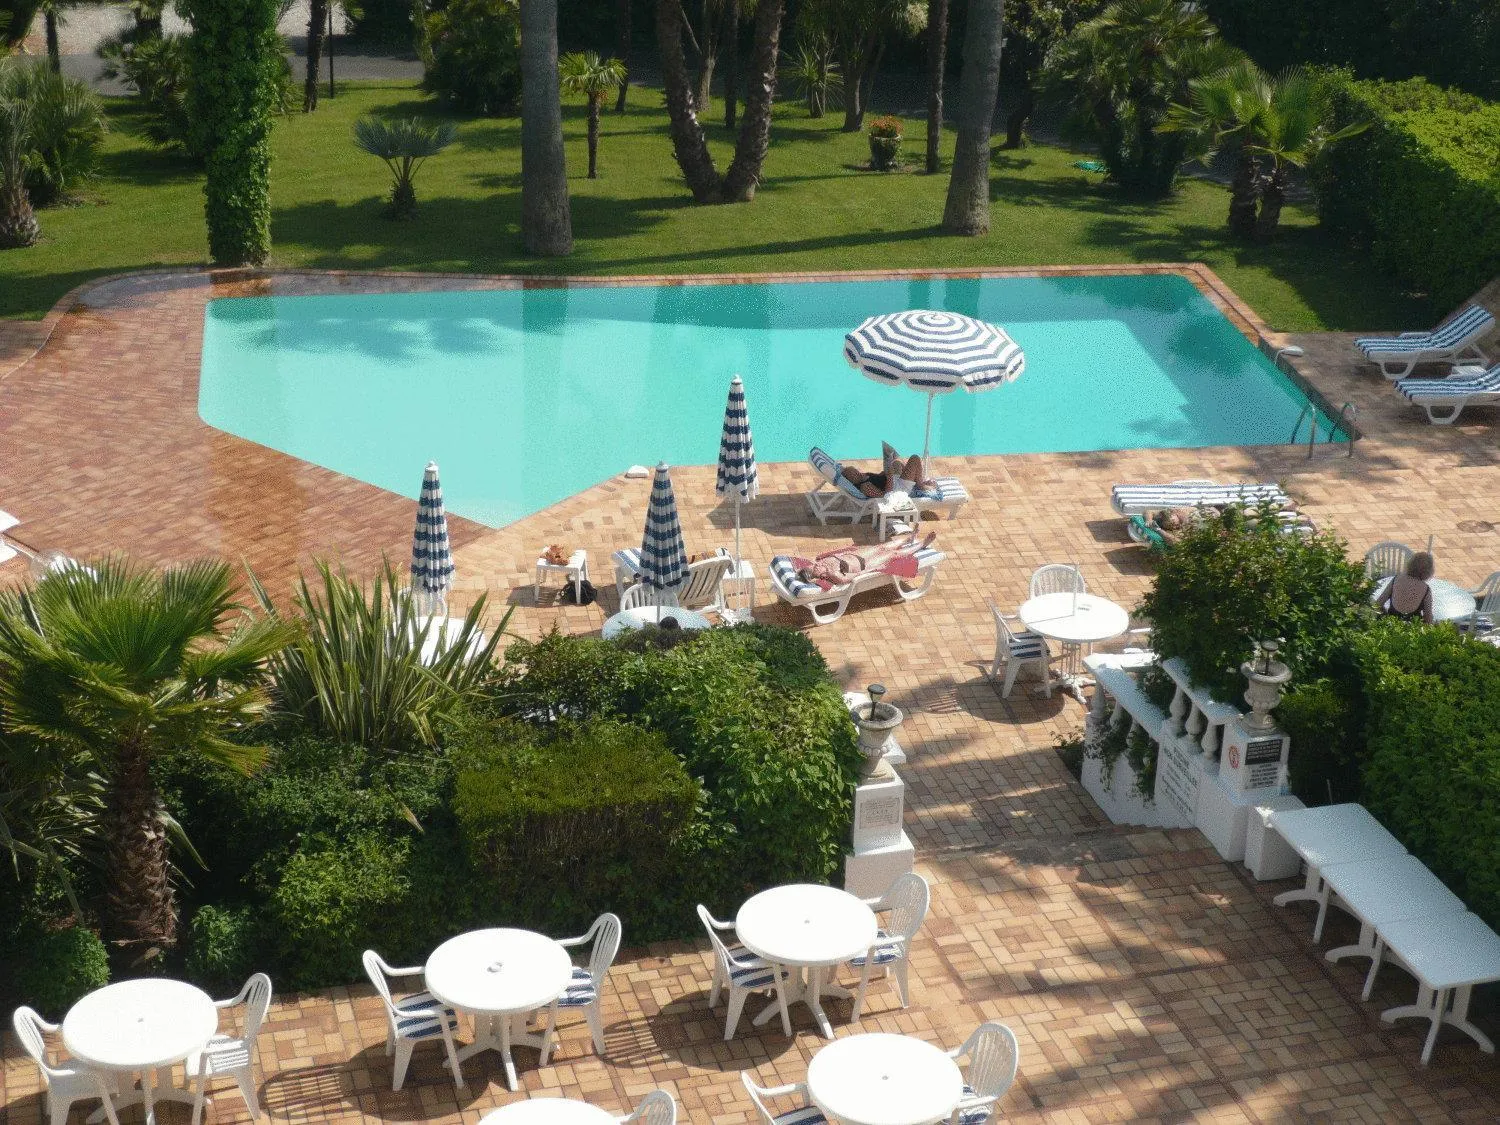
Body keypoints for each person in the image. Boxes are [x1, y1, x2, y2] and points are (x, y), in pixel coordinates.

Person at [796, 531, 936, 586]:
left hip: (858, 555)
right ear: (818, 576)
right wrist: (873, 569)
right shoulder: (832, 575)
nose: (815, 565)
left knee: (883, 546)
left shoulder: (819, 563)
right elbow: (849, 578)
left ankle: (908, 538)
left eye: (813, 565)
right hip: (866, 564)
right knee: (892, 554)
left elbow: (807, 565)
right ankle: (922, 544)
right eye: (815, 568)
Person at [1377, 551, 1435, 624]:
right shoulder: (1426, 589)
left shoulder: (1396, 579)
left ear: (1410, 564)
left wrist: (1385, 615)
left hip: (1391, 627)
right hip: (1412, 631)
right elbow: (1428, 618)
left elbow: (1378, 603)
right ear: (1429, 571)